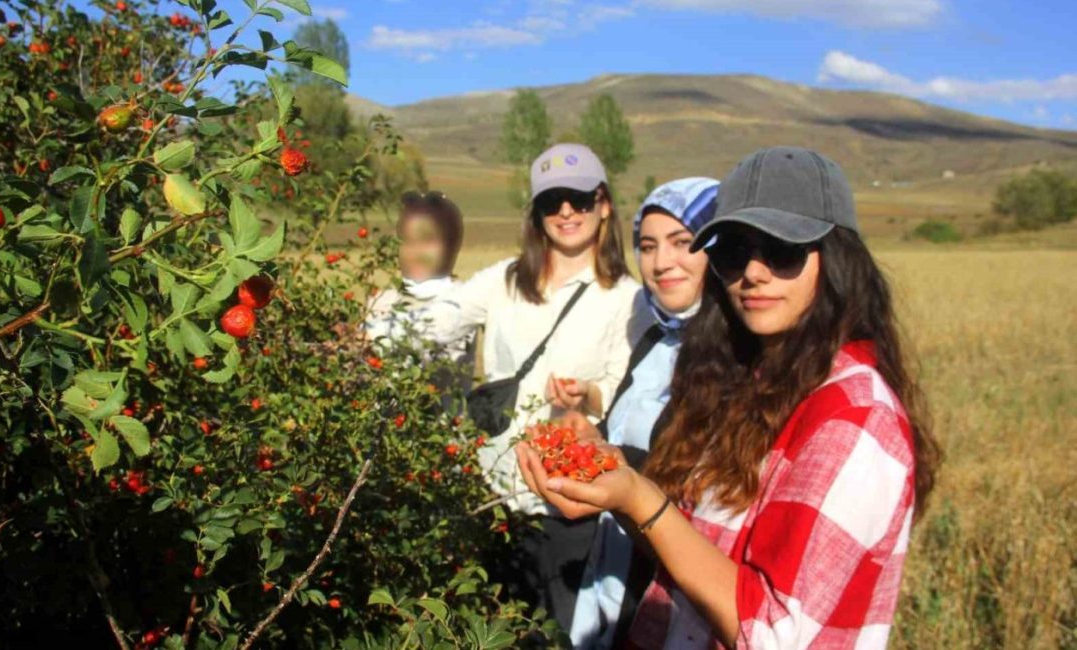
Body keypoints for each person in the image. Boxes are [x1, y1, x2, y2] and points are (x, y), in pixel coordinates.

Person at [517, 147, 942, 648]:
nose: (753, 272)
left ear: (838, 259)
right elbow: (695, 559)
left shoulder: (853, 417)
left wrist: (641, 498)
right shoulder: (753, 382)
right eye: (733, 252)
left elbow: (773, 635)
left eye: (782, 249)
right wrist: (618, 486)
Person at [398, 143, 647, 631]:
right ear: (537, 212)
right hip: (491, 492)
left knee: (554, 634)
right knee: (484, 629)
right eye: (552, 201)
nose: (567, 212)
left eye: (579, 198)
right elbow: (438, 325)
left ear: (604, 203)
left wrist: (588, 395)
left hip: (567, 504)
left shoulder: (627, 300)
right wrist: (383, 320)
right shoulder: (506, 280)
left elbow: (626, 390)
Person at [568, 177, 720, 649]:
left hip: (672, 585)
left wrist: (614, 466)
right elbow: (624, 435)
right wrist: (585, 439)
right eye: (649, 246)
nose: (661, 263)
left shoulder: (733, 359)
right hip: (615, 557)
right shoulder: (654, 339)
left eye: (684, 243)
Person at [364, 191, 475, 398]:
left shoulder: (463, 300)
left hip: (438, 428)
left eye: (428, 242)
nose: (416, 252)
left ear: (452, 245)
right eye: (408, 241)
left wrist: (369, 340)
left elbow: (430, 347)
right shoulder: (380, 301)